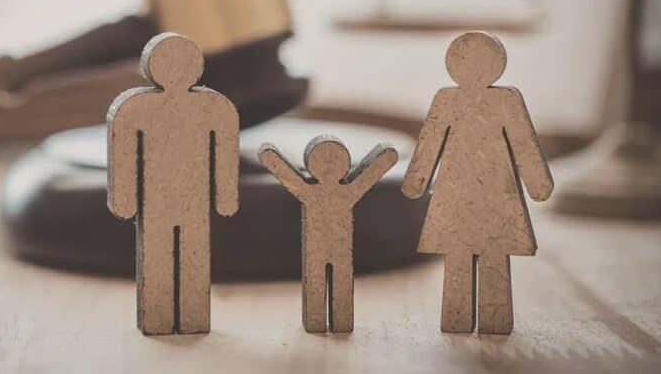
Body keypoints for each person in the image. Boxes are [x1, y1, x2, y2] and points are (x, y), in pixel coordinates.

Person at [402, 31, 554, 334]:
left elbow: (523, 143)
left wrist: (537, 184)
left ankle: (491, 320)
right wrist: (416, 180)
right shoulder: (446, 100)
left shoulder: (505, 100)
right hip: (458, 192)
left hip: (494, 192)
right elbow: (430, 143)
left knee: (489, 253)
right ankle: (459, 319)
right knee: (459, 254)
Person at [106, 33, 239, 335]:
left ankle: (192, 317)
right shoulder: (135, 108)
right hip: (156, 201)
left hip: (192, 200)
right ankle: (159, 318)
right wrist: (124, 199)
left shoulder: (215, 107)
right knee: (158, 256)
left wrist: (226, 198)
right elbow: (123, 152)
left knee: (193, 255)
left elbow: (225, 151)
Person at [259, 136, 397, 333]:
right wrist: (387, 156)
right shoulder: (318, 191)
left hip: (338, 249)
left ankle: (337, 321)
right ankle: (319, 321)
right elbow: (284, 171)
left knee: (339, 281)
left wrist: (268, 155)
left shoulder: (336, 191)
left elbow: (371, 172)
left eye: (334, 160)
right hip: (320, 249)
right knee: (319, 281)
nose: (329, 166)